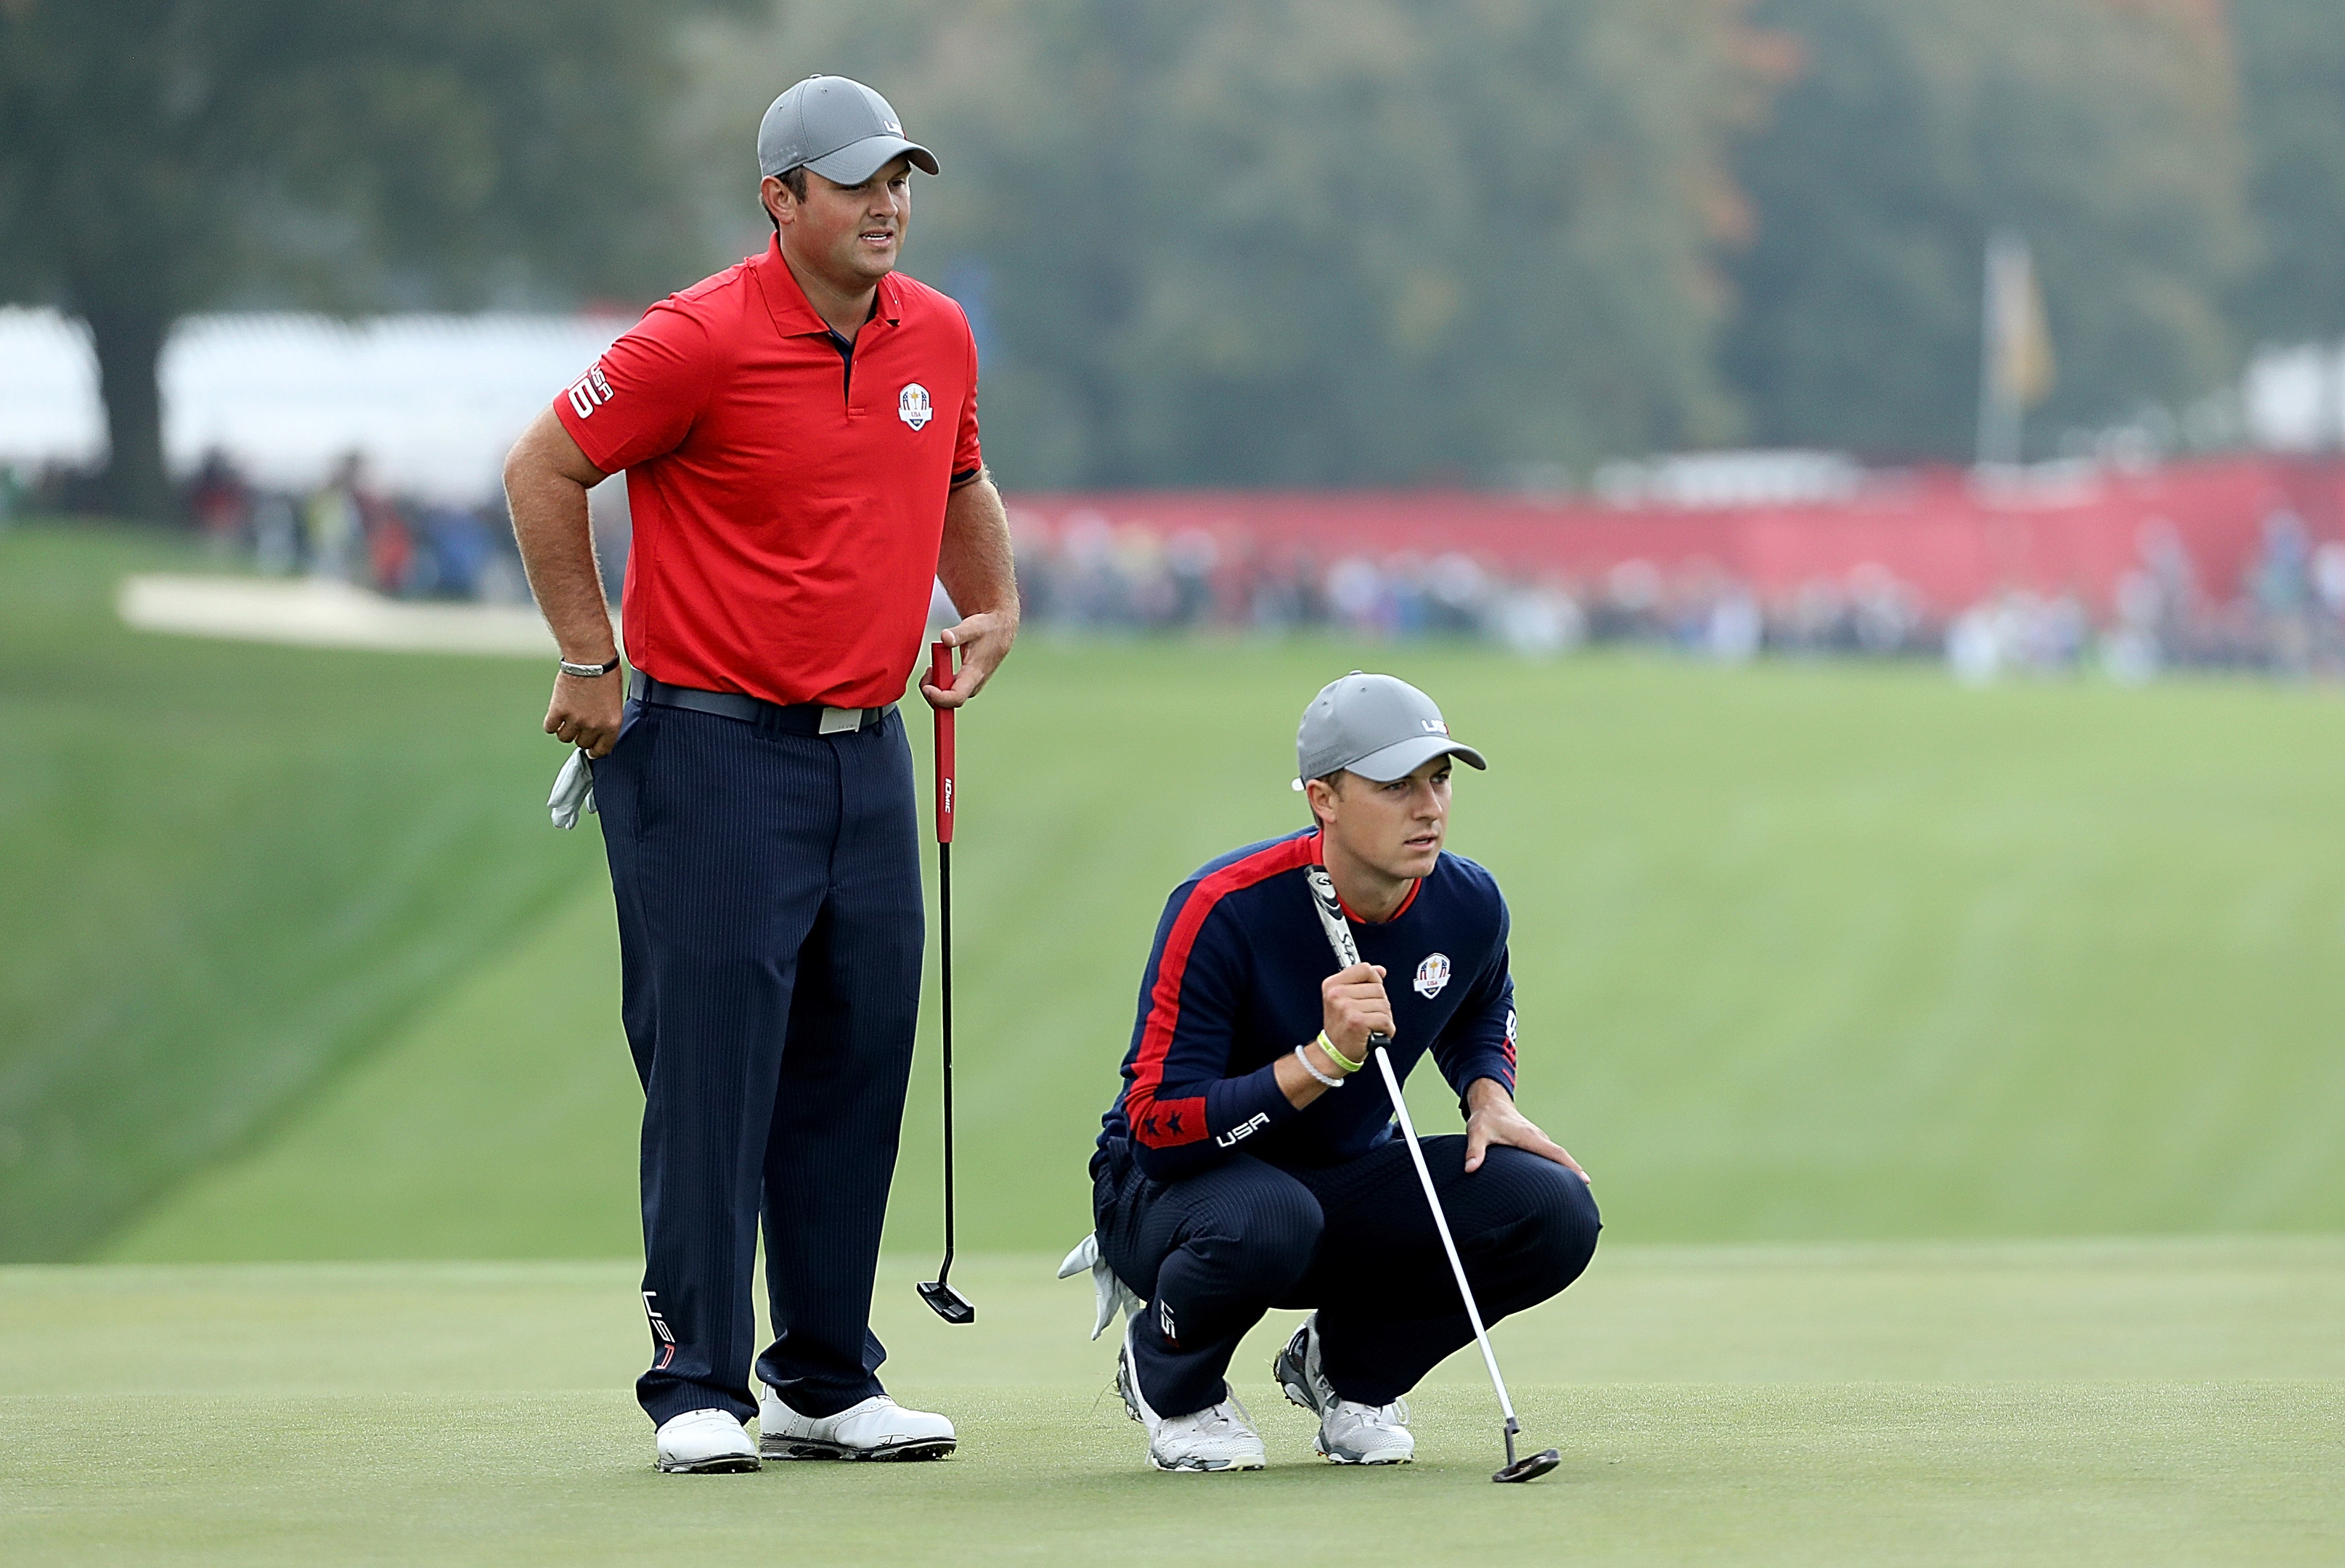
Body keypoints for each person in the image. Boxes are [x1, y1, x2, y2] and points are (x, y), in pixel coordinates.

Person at [502, 74, 1018, 1474]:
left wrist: (992, 608)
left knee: (858, 1059)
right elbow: (544, 467)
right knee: (718, 1073)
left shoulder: (939, 336)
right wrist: (587, 651)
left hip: (868, 757)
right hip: (707, 753)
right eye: (855, 183)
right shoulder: (700, 338)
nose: (888, 204)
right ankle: (697, 1385)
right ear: (780, 198)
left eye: (900, 177)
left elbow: (959, 480)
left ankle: (825, 1375)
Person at [1083, 673, 1599, 1471]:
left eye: (1439, 780)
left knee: (1552, 1207)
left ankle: (1348, 1372)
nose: (1428, 807)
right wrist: (1319, 1063)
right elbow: (1157, 1129)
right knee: (1269, 1215)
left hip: (1339, 1180)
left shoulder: (1464, 901)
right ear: (1323, 798)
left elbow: (1479, 1000)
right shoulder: (1222, 907)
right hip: (1170, 1196)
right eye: (1395, 786)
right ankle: (1170, 1379)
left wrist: (1487, 1093)